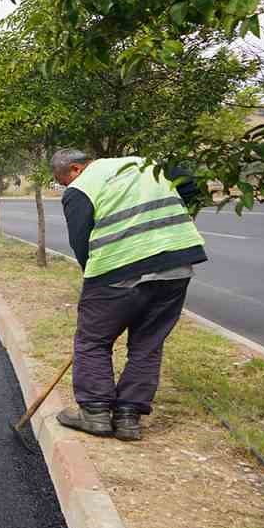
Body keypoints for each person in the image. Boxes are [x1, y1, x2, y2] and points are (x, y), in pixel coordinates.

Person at [51, 150, 207, 441]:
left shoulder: (80, 188)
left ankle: (95, 413)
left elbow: (80, 241)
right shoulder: (144, 163)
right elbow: (189, 184)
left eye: (63, 181)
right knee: (148, 344)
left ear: (74, 169)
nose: (64, 187)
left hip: (119, 269)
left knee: (93, 340)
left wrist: (93, 278)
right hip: (175, 267)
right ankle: (128, 418)